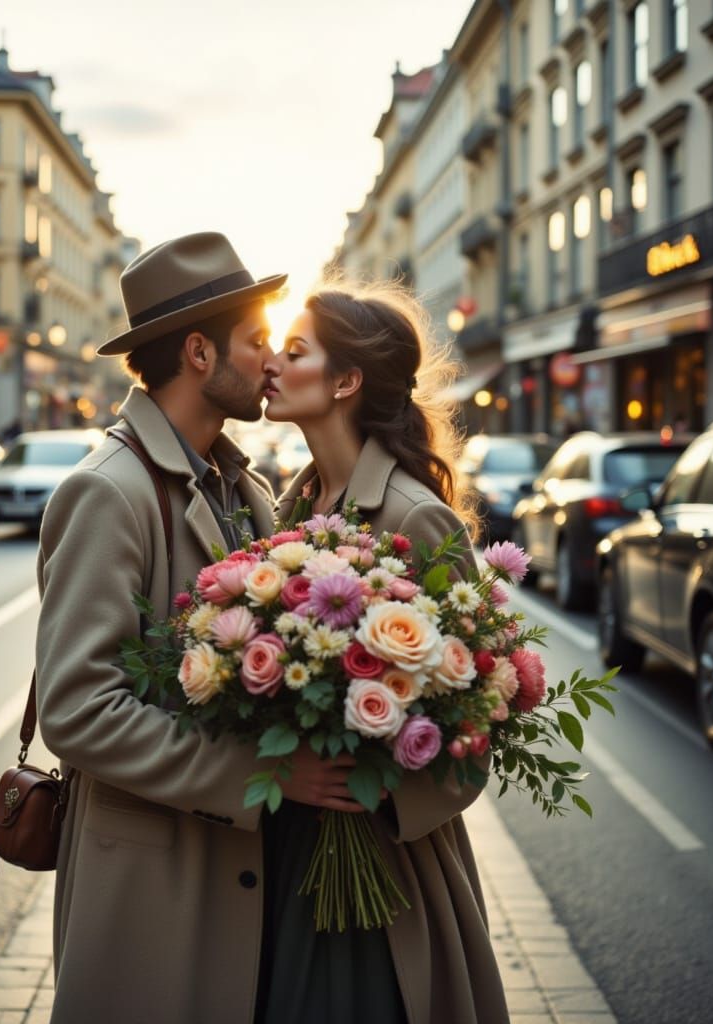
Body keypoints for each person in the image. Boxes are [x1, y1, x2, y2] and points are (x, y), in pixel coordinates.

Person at [34, 232, 370, 1023]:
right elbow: (78, 710)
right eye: (256, 341)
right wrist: (260, 775)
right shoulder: (107, 493)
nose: (270, 361)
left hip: (234, 877)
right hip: (151, 885)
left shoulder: (240, 481)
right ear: (196, 352)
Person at [260, 279, 510, 1023]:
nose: (272, 362)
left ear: (345, 381)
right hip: (288, 851)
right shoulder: (288, 512)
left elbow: (479, 719)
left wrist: (371, 785)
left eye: (294, 350)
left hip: (390, 865)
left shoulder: (416, 515)